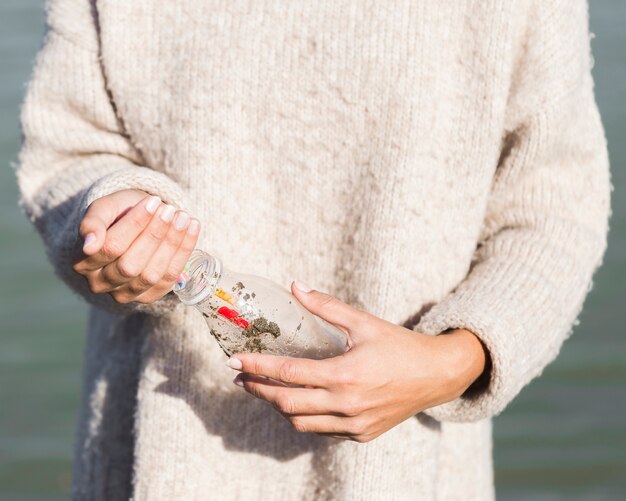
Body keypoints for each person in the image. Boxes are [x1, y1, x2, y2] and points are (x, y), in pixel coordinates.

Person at [16, 0, 611, 499]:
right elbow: (68, 151)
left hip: (402, 470)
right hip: (157, 460)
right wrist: (117, 216)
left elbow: (553, 210)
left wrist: (450, 364)